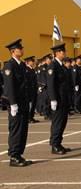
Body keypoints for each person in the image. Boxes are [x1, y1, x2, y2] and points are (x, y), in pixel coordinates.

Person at [2, 39, 32, 167]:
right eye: (19, 48)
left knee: (23, 130)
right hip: (16, 104)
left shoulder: (22, 65)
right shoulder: (9, 65)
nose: (22, 50)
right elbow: (9, 87)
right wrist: (13, 103)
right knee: (16, 130)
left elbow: (25, 85)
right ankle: (13, 156)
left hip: (23, 102)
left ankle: (19, 154)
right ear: (13, 51)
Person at [47, 43, 72, 155]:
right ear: (57, 53)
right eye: (62, 51)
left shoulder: (61, 66)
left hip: (64, 98)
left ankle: (58, 143)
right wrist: (53, 99)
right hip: (57, 99)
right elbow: (51, 84)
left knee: (63, 121)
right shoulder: (53, 66)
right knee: (57, 122)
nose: (64, 53)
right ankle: (54, 145)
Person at [24, 56, 39, 123]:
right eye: (32, 61)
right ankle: (28, 118)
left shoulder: (32, 69)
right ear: (28, 62)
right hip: (29, 91)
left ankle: (31, 117)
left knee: (33, 104)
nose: (33, 62)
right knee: (29, 105)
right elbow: (27, 81)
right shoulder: (26, 69)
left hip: (34, 90)